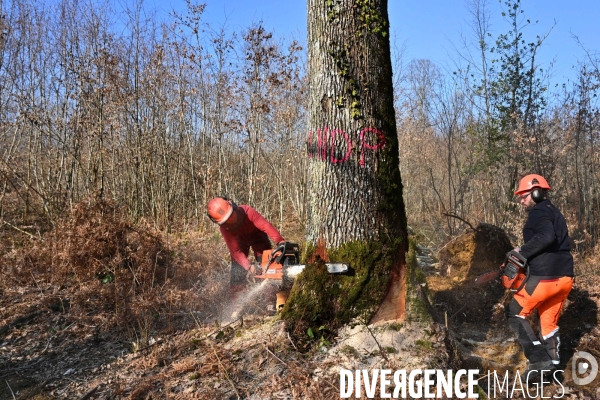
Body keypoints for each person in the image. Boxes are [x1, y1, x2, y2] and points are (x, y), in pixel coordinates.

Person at [508, 174, 574, 378]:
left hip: (545, 277)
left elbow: (546, 237)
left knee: (515, 312)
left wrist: (521, 253)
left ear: (536, 192)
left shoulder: (538, 212)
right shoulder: (554, 212)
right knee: (548, 322)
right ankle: (552, 367)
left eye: (524, 195)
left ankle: (538, 360)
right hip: (564, 279)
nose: (521, 200)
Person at [206, 196, 285, 304]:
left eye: (231, 216)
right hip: (239, 242)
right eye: (227, 221)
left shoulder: (248, 212)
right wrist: (249, 266)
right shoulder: (225, 229)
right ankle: (237, 305)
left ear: (233, 206)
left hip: (258, 237)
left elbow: (266, 226)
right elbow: (235, 251)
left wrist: (280, 241)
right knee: (237, 271)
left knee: (267, 266)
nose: (231, 221)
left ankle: (270, 302)